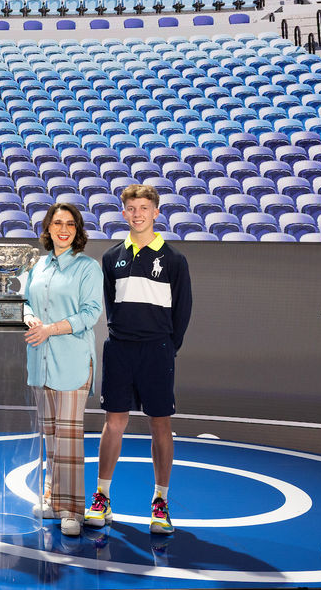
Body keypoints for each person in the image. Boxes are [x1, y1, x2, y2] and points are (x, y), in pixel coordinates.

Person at [87, 184, 192, 535]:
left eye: (144, 208)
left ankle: (160, 502)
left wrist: (166, 347)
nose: (138, 214)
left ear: (156, 212)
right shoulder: (111, 257)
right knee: (113, 422)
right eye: (131, 208)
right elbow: (110, 305)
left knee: (160, 424)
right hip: (119, 349)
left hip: (157, 350)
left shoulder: (174, 259)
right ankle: (102, 497)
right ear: (123, 213)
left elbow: (183, 311)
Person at [22, 202, 103, 537]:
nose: (64, 229)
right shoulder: (37, 266)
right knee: (51, 435)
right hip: (40, 362)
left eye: (70, 224)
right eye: (57, 223)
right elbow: (24, 302)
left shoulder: (88, 268)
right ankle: (53, 499)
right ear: (48, 228)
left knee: (68, 438)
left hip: (72, 362)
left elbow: (91, 313)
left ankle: (71, 509)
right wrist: (29, 318)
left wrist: (50, 329)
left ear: (78, 230)